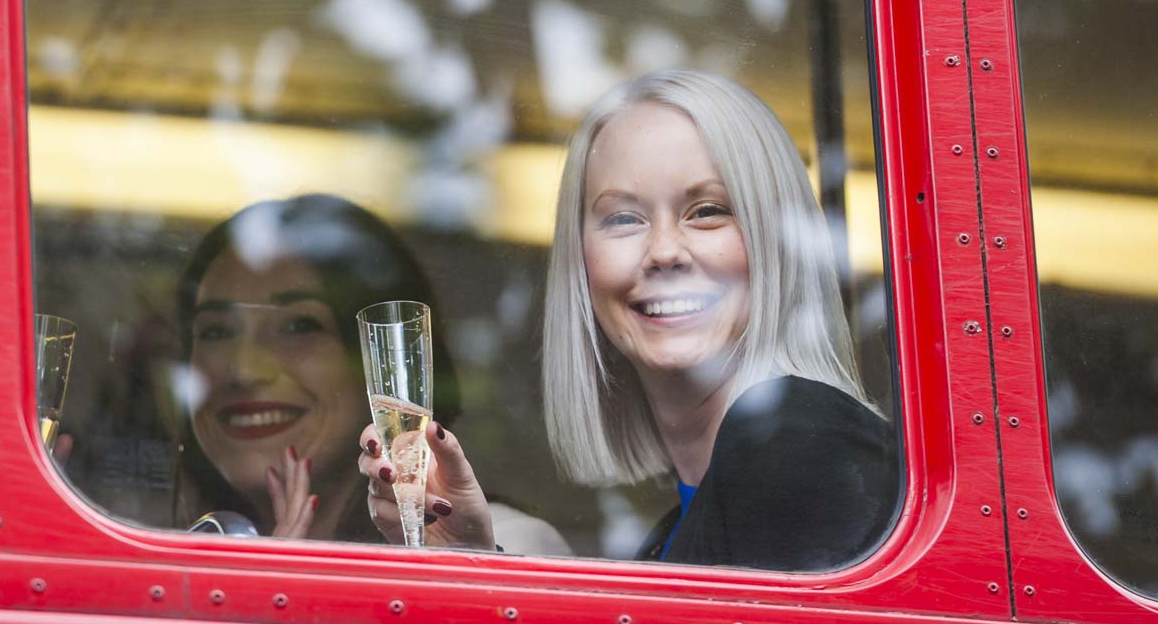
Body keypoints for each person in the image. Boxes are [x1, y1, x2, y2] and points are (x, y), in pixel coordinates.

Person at [358, 69, 898, 570]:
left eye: (707, 210)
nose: (664, 251)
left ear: (776, 245)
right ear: (580, 265)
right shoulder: (675, 526)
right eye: (623, 218)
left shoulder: (803, 439)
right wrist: (477, 556)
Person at [177, 194, 570, 553]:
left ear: (384, 366)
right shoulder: (164, 544)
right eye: (215, 331)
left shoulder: (510, 544)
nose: (243, 370)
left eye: (299, 327)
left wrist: (458, 556)